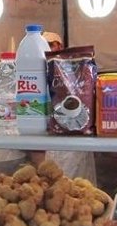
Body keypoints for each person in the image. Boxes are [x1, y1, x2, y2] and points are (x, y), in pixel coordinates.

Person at [34, 32, 97, 183]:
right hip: (52, 140)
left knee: (82, 188)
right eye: (43, 47)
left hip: (77, 139)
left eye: (50, 45)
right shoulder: (38, 71)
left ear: (59, 45)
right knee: (56, 187)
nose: (47, 50)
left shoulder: (75, 67)